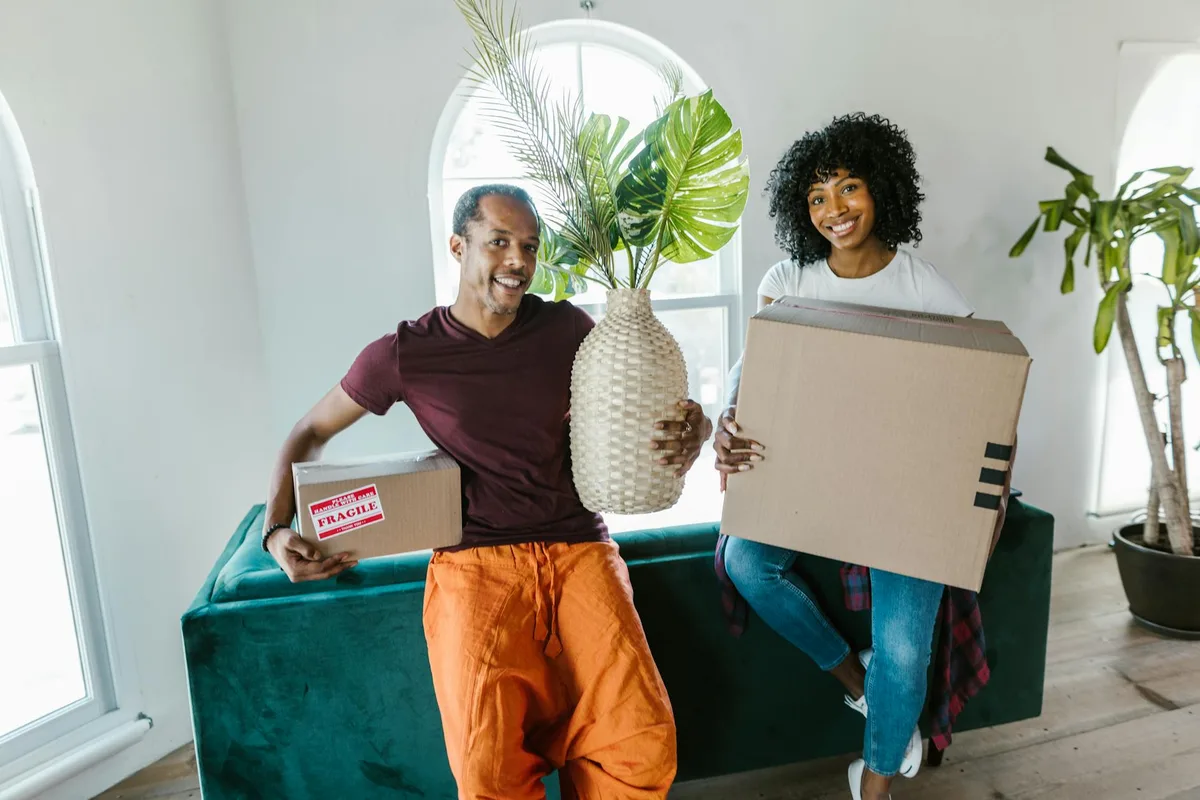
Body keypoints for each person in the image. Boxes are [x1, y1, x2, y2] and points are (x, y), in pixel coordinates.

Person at [260, 184, 713, 800]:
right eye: (498, 241)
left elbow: (638, 415)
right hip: (474, 565)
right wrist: (276, 530)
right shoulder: (406, 354)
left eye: (528, 245)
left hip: (579, 548)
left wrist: (695, 427)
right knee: (486, 768)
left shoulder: (570, 329)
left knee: (641, 740)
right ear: (458, 245)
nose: (518, 260)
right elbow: (310, 431)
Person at [712, 113, 1012, 800]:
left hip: (907, 494)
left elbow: (983, 391)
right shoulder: (787, 278)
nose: (834, 210)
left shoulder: (924, 288)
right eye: (817, 197)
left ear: (882, 191)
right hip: (812, 484)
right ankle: (856, 678)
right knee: (746, 561)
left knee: (907, 647)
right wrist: (724, 425)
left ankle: (874, 787)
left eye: (848, 188)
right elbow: (749, 378)